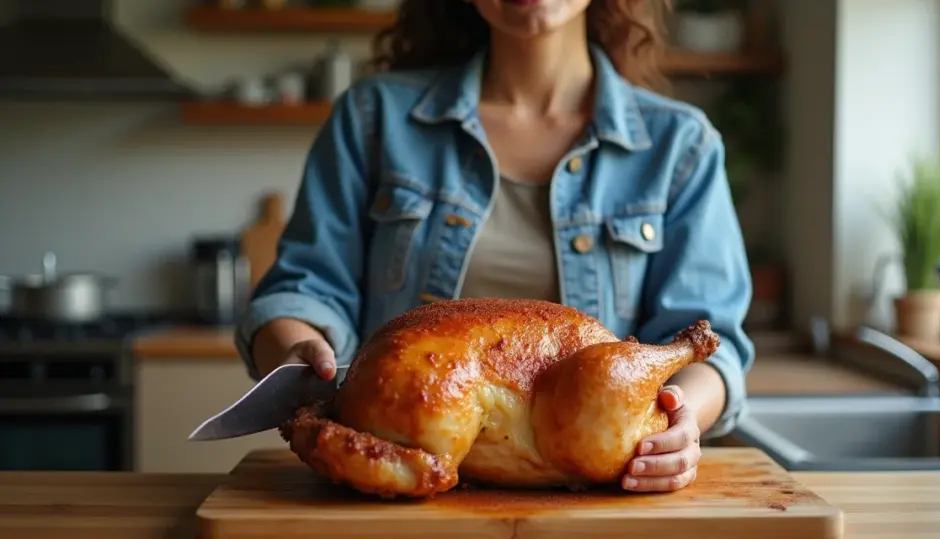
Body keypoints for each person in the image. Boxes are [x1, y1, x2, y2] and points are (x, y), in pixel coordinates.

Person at [235, 0, 755, 494]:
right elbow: (302, 291)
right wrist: (294, 354)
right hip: (396, 499)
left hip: (593, 511)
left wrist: (681, 420)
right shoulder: (372, 119)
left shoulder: (680, 145)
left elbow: (713, 340)